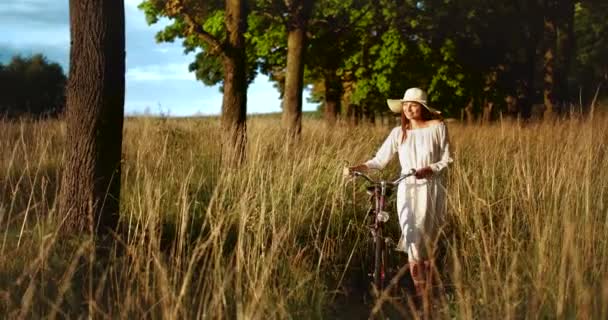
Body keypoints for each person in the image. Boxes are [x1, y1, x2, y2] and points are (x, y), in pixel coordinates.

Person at [345, 87, 452, 301]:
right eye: (405, 105)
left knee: (429, 241)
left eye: (413, 105)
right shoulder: (398, 133)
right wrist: (356, 168)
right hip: (408, 188)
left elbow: (447, 160)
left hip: (431, 187)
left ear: (422, 107)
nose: (408, 109)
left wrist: (429, 169)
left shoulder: (438, 127)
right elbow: (379, 161)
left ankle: (429, 291)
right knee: (412, 239)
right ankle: (421, 295)